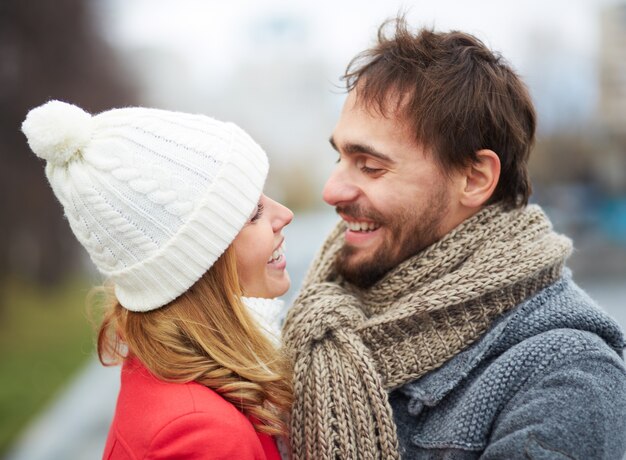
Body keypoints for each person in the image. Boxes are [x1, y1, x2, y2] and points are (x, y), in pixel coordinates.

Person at [282, 17, 626, 460]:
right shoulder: (323, 321)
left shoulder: (564, 376)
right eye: (340, 158)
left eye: (370, 166)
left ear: (474, 178)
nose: (332, 191)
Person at [22, 100, 294, 459]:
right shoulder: (205, 434)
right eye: (254, 213)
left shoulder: (177, 379)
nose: (285, 214)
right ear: (198, 263)